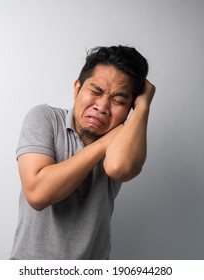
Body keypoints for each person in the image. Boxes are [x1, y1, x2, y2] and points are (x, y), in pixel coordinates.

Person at [10, 45, 155, 259]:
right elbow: (38, 194)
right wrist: (103, 144)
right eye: (96, 92)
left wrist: (144, 106)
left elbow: (118, 167)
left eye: (119, 101)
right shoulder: (45, 118)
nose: (103, 106)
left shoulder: (123, 140)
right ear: (77, 88)